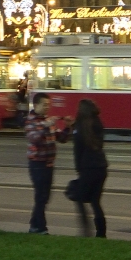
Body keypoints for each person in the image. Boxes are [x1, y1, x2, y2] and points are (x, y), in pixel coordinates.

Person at [24, 92, 71, 234]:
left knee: (44, 197)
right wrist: (45, 125)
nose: (47, 107)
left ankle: (34, 225)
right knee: (41, 196)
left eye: (48, 105)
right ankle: (40, 228)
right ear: (36, 105)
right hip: (38, 164)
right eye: (44, 105)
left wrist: (67, 127)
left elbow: (62, 138)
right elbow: (34, 139)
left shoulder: (47, 120)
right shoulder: (31, 121)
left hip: (49, 165)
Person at [68, 98, 109, 237]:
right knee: (95, 201)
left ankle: (86, 231)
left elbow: (77, 151)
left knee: (79, 198)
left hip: (88, 168)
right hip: (102, 167)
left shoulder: (80, 127)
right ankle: (101, 233)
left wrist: (78, 169)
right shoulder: (98, 123)